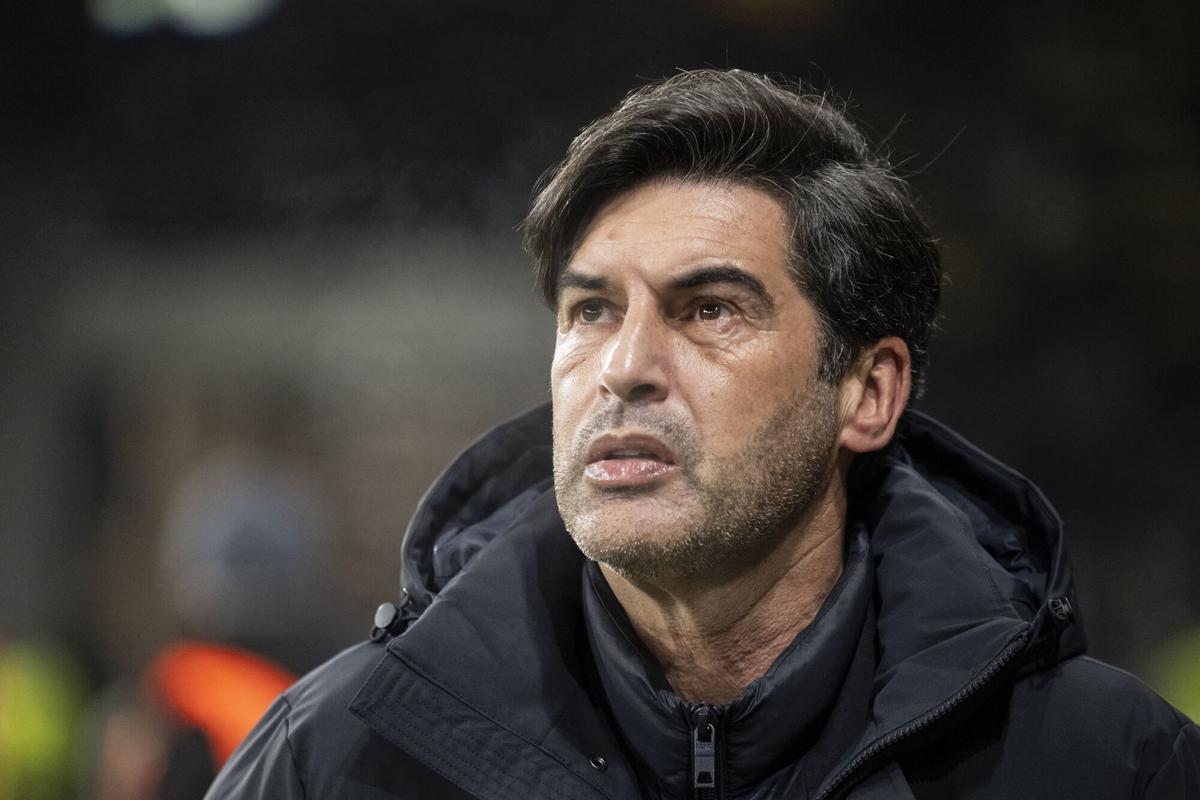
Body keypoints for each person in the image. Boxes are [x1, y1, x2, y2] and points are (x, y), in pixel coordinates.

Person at [204, 69, 1199, 799]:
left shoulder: (1110, 766)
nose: (624, 365)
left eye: (710, 308)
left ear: (868, 390)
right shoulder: (333, 759)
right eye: (591, 311)